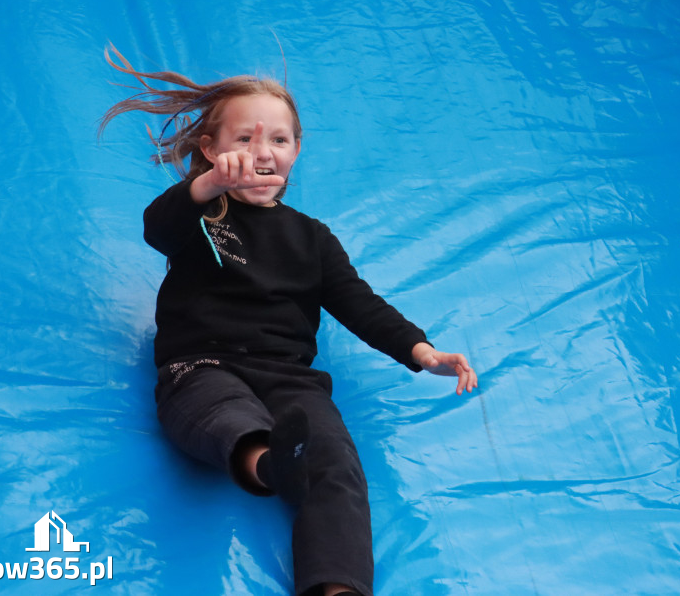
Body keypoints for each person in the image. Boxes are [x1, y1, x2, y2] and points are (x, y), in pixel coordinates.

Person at [98, 46, 478, 596]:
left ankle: (337, 587)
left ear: (296, 150)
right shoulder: (203, 211)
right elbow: (158, 228)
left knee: (336, 464)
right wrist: (203, 188)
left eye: (278, 140)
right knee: (220, 411)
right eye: (244, 139)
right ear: (211, 150)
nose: (263, 152)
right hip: (203, 361)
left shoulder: (313, 238)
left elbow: (359, 303)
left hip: (289, 376)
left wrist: (423, 352)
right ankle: (271, 465)